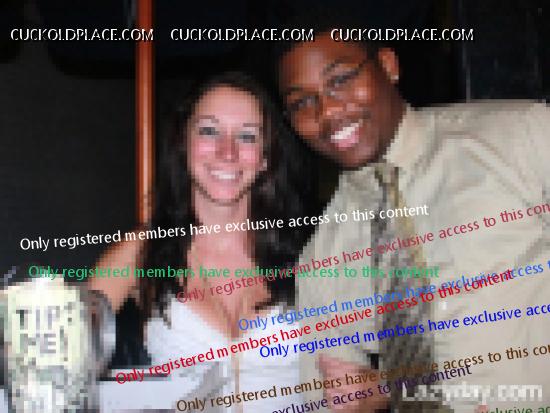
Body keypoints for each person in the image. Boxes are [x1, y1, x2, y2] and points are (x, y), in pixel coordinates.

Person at [276, 17, 550, 413]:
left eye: (341, 80)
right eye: (302, 102)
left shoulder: (521, 138)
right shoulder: (321, 256)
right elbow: (332, 398)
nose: (328, 110)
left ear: (388, 66)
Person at [90, 71, 315, 411]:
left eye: (247, 136)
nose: (227, 152)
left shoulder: (309, 249)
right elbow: (62, 353)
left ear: (265, 158)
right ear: (184, 144)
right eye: (209, 131)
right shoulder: (141, 251)